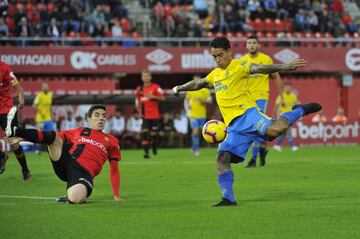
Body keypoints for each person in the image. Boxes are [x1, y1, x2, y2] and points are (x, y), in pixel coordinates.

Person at [172, 37, 321, 206]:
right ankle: (228, 199)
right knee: (222, 158)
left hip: (249, 116)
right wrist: (180, 88)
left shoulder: (239, 65)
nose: (217, 59)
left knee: (276, 130)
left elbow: (259, 68)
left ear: (229, 52)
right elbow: (198, 83)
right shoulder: (215, 75)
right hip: (233, 127)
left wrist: (284, 67)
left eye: (220, 55)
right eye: (214, 56)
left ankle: (299, 110)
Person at [5, 105, 121, 204]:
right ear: (89, 119)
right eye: (97, 115)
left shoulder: (112, 141)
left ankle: (70, 195)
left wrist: (116, 195)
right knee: (54, 137)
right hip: (66, 162)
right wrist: (23, 137)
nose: (101, 118)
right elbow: (53, 137)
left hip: (83, 173)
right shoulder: (80, 131)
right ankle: (17, 130)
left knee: (76, 199)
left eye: (104, 116)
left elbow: (114, 169)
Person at [241, 36, 284, 168]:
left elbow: (276, 76)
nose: (252, 45)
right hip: (247, 98)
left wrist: (282, 96)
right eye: (249, 43)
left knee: (256, 126)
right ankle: (262, 150)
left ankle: (253, 159)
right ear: (246, 46)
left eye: (254, 43)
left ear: (258, 45)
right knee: (255, 128)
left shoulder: (266, 59)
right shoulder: (242, 61)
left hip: (261, 96)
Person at [0, 60, 31, 180]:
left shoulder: (5, 68)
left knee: (13, 142)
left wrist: (21, 98)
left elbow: (18, 87)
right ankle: (2, 156)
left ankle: (25, 169)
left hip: (5, 110)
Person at [135, 71, 165, 159]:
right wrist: (137, 107)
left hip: (154, 116)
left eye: (147, 76)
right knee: (144, 134)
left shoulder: (156, 87)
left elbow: (163, 98)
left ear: (150, 77)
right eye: (144, 76)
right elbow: (137, 99)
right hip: (144, 116)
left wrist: (153, 97)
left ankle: (154, 146)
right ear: (142, 78)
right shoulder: (139, 89)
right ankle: (146, 152)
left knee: (153, 135)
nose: (145, 78)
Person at [185, 76, 212, 155]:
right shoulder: (190, 91)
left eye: (197, 80)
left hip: (202, 115)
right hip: (193, 114)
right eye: (194, 80)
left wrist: (202, 100)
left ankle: (196, 148)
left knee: (202, 133)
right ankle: (195, 149)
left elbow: (210, 101)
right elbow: (186, 100)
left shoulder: (205, 90)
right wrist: (188, 106)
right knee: (195, 131)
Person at [273, 83, 299, 151]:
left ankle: (277, 145)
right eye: (286, 87)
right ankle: (292, 146)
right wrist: (274, 116)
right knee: (288, 130)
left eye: (289, 87)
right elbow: (276, 106)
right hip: (283, 116)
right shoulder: (281, 96)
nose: (288, 89)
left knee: (284, 132)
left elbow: (296, 105)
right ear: (284, 88)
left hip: (291, 116)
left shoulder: (293, 96)